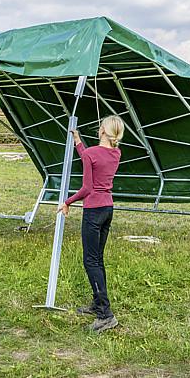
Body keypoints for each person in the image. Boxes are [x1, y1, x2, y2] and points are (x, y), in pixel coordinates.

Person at [58, 115, 125, 333]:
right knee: (98, 259)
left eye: (100, 126)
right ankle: (98, 304)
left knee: (90, 261)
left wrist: (67, 202)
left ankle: (106, 314)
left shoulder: (92, 154)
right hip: (107, 209)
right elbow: (90, 158)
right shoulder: (116, 152)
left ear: (103, 131)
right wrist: (78, 140)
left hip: (93, 211)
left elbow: (87, 188)